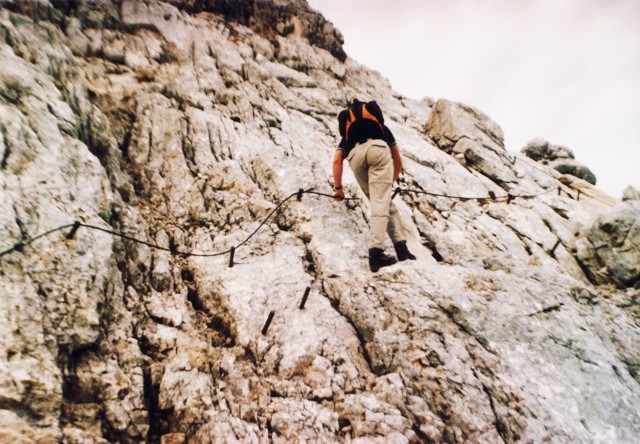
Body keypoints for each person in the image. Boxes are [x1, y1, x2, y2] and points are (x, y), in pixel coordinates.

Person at [333, 99, 416, 272]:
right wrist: (389, 182)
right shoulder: (381, 129)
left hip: (355, 157)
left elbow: (337, 160)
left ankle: (401, 248)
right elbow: (398, 160)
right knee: (381, 202)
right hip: (378, 151)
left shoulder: (348, 135)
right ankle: (376, 253)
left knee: (382, 202)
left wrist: (338, 188)